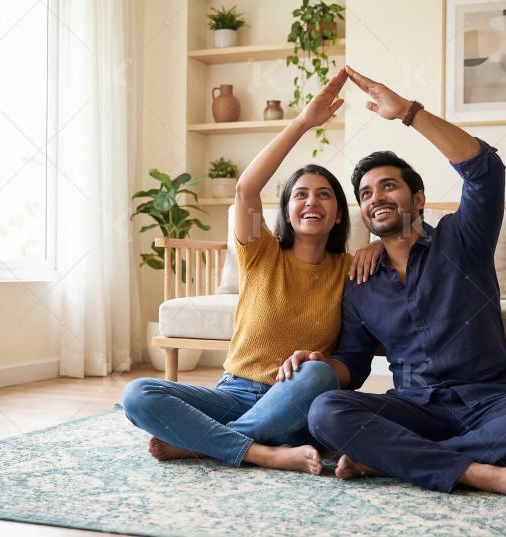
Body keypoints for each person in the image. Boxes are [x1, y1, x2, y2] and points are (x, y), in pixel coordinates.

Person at [278, 65, 506, 505]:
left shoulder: (463, 238)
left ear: (418, 198)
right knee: (326, 410)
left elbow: (485, 170)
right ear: (363, 213)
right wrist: (319, 365)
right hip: (415, 410)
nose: (376, 198)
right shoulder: (360, 279)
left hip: (491, 402)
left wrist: (408, 112)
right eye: (366, 194)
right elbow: (355, 361)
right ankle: (484, 472)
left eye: (389, 186)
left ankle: (395, 460)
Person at [122, 68, 380, 474]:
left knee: (317, 375)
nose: (311, 201)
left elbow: (413, 244)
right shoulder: (260, 251)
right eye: (300, 194)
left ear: (337, 216)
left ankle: (204, 444)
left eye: (324, 195)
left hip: (294, 400)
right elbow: (246, 189)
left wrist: (381, 242)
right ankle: (261, 451)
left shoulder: (349, 270)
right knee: (138, 393)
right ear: (288, 211)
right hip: (234, 393)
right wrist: (304, 122)